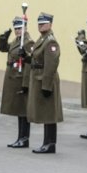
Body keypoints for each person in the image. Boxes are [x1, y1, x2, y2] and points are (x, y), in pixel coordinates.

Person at [23, 12, 62, 154]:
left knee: (49, 113)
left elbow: (51, 65)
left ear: (50, 25)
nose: (40, 26)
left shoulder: (50, 41)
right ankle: (47, 142)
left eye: (43, 23)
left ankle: (50, 143)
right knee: (46, 113)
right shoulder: (42, 39)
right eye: (39, 23)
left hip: (45, 80)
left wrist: (47, 85)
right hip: (38, 78)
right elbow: (37, 61)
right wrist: (26, 57)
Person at [0, 16, 34, 147]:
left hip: (20, 79)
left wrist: (25, 83)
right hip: (13, 78)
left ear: (26, 28)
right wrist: (3, 37)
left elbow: (29, 64)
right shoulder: (17, 40)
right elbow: (3, 48)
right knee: (19, 111)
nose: (17, 31)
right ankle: (20, 137)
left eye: (20, 28)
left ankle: (24, 138)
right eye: (16, 29)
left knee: (23, 111)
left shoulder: (28, 42)